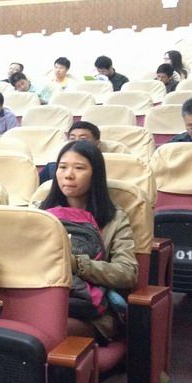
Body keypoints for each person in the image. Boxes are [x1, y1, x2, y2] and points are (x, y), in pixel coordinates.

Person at [38, 140, 138, 343]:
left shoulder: (114, 218)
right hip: (44, 300)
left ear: (95, 174)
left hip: (91, 312)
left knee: (44, 329)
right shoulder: (40, 213)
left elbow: (128, 273)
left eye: (79, 168)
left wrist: (77, 264)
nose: (68, 175)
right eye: (62, 167)